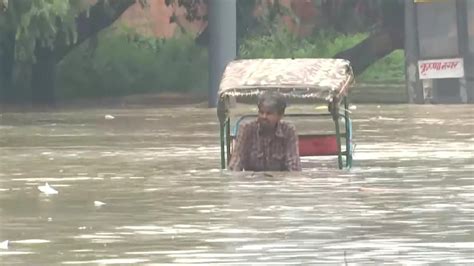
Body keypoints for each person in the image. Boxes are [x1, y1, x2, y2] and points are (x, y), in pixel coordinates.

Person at [229, 91, 301, 172]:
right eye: (261, 112)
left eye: (269, 113)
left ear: (280, 115)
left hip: (280, 181)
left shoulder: (288, 130)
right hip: (253, 181)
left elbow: (294, 165)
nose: (264, 116)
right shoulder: (247, 129)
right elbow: (236, 163)